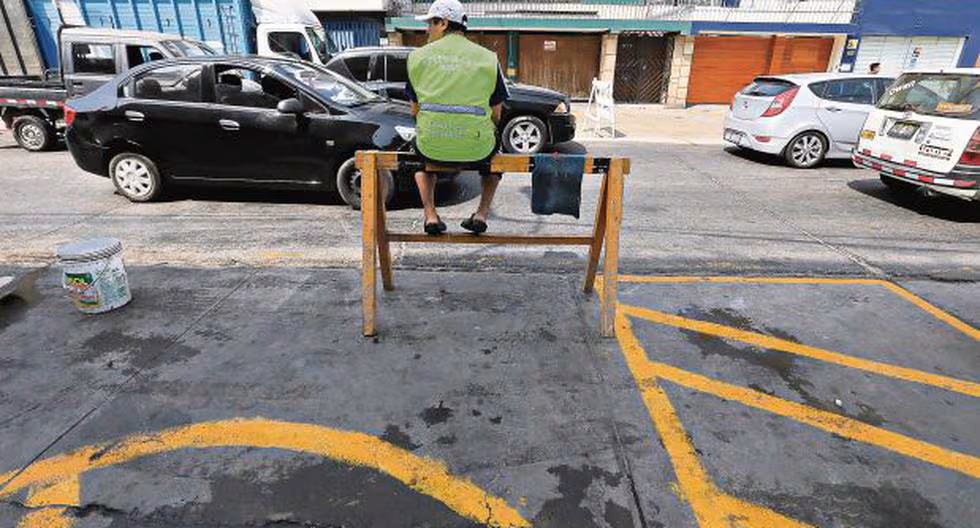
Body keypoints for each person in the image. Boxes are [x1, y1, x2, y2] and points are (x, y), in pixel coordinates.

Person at [407, 0, 510, 235]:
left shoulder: (417, 57)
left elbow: (414, 111)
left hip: (431, 145)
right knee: (498, 155)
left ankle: (430, 215)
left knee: (418, 158)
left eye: (431, 24)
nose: (427, 30)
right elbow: (496, 114)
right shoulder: (488, 58)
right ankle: (481, 214)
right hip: (478, 147)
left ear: (443, 23)